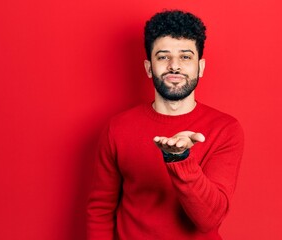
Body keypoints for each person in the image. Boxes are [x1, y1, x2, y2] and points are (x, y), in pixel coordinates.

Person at [87, 10, 244, 240]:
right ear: (149, 67)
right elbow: (100, 210)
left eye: (185, 56)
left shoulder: (226, 129)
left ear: (200, 67)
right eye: (163, 56)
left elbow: (209, 218)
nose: (174, 66)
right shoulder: (118, 128)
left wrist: (180, 159)